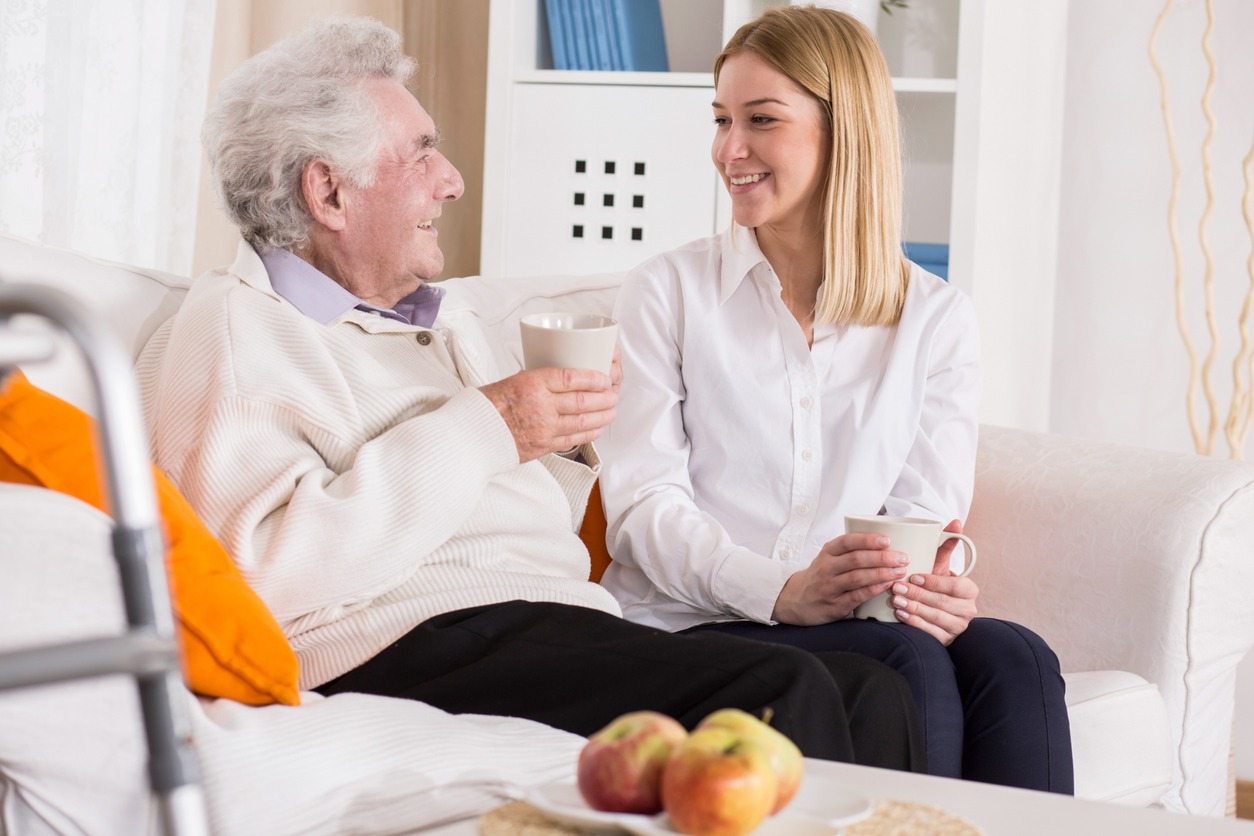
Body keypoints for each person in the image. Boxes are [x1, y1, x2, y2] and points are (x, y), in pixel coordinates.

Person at [135, 15, 926, 769]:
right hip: (401, 641)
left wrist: (567, 438)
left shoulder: (433, 324)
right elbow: (257, 575)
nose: (452, 181)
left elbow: (510, 513)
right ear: (328, 192)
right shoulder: (236, 331)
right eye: (422, 154)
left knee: (874, 692)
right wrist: (490, 423)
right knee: (780, 693)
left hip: (541, 620)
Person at [598, 5, 1073, 792]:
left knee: (1014, 654)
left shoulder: (935, 318)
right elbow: (643, 510)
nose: (729, 150)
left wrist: (930, 588)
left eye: (760, 121)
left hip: (856, 622)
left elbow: (925, 514)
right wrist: (781, 592)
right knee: (905, 659)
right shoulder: (668, 294)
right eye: (721, 120)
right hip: (697, 624)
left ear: (843, 132)